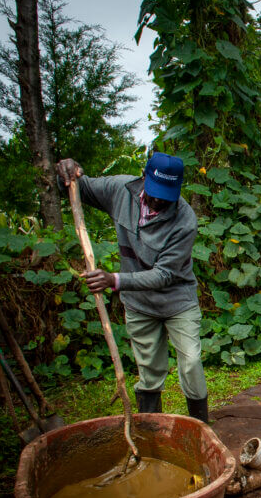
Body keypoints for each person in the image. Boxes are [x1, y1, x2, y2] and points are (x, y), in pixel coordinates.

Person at [55, 152, 208, 422]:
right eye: (154, 192)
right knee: (149, 370)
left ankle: (201, 426)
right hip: (139, 304)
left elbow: (164, 275)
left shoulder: (185, 221)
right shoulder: (120, 190)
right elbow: (81, 188)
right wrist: (68, 173)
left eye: (167, 195)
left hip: (177, 302)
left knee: (192, 363)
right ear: (144, 178)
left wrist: (114, 280)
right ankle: (149, 429)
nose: (159, 200)